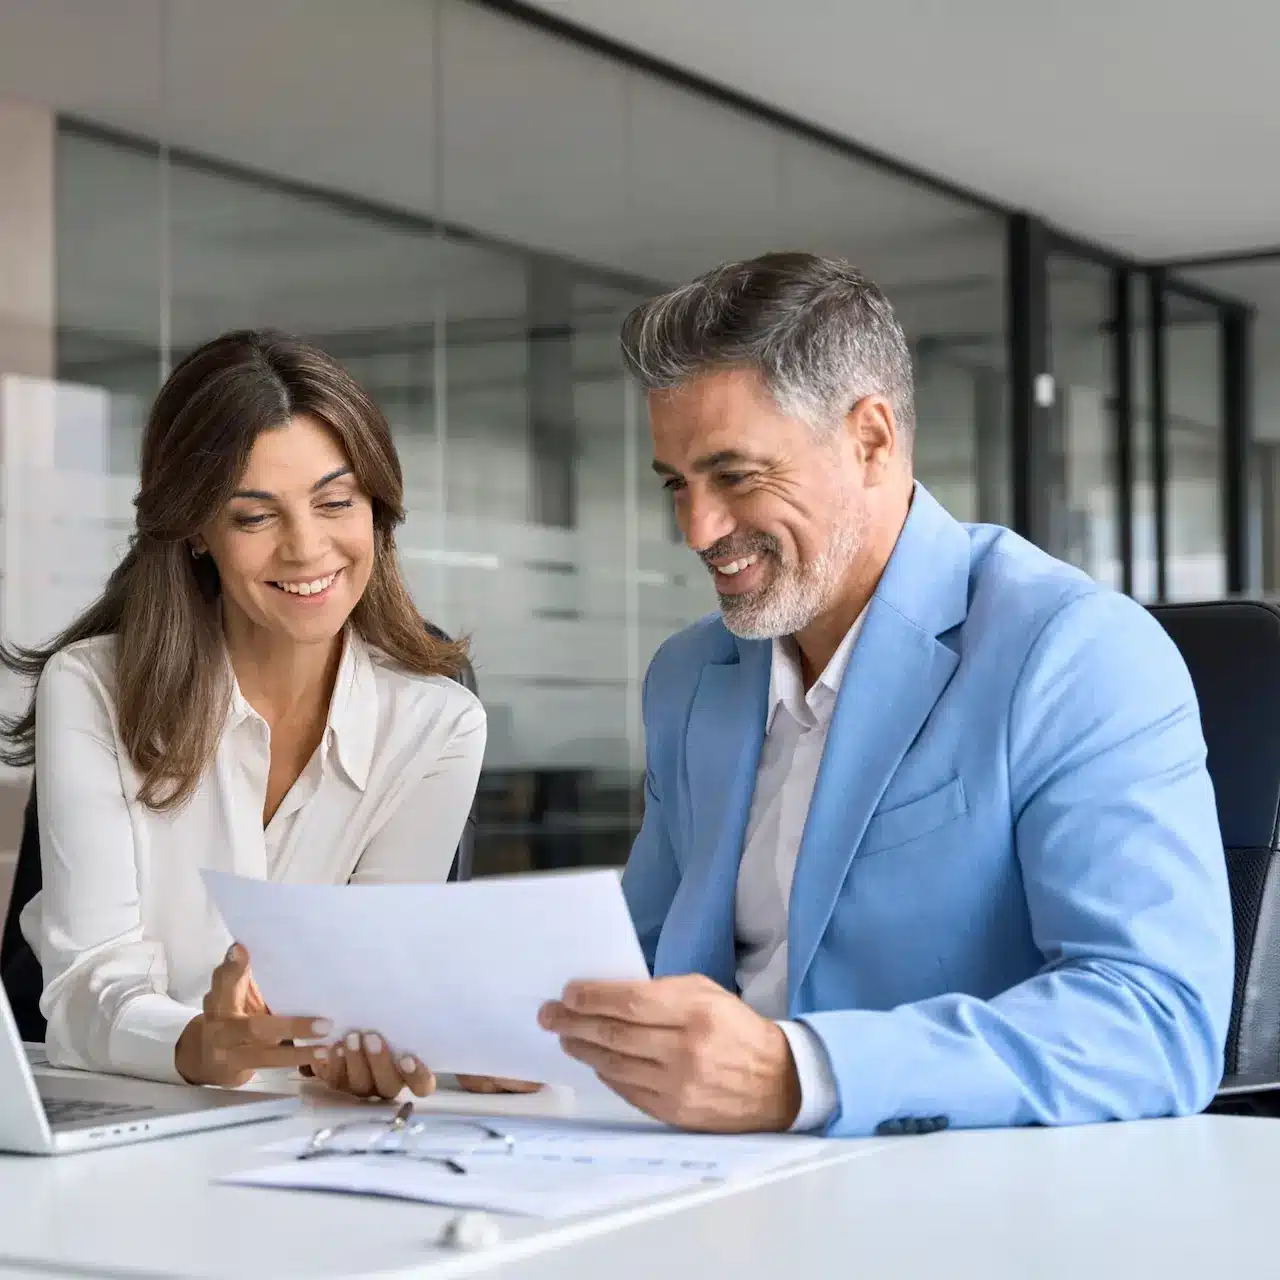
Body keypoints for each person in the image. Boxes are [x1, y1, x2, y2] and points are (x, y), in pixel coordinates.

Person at [538, 252, 1235, 1137]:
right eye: (678, 483)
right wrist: (499, 1036)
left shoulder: (1073, 652)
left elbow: (1156, 1018)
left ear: (870, 440)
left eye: (735, 475)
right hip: (699, 1170)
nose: (697, 528)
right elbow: (635, 962)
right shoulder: (691, 675)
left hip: (952, 1182)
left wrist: (803, 1075)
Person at [3, 330, 527, 1100]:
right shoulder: (92, 688)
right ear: (197, 531)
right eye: (254, 517)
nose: (306, 549)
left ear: (376, 509)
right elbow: (86, 986)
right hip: (115, 1110)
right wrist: (201, 1044)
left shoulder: (439, 724)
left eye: (336, 503)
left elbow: (365, 992)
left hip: (296, 1123)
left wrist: (413, 1036)